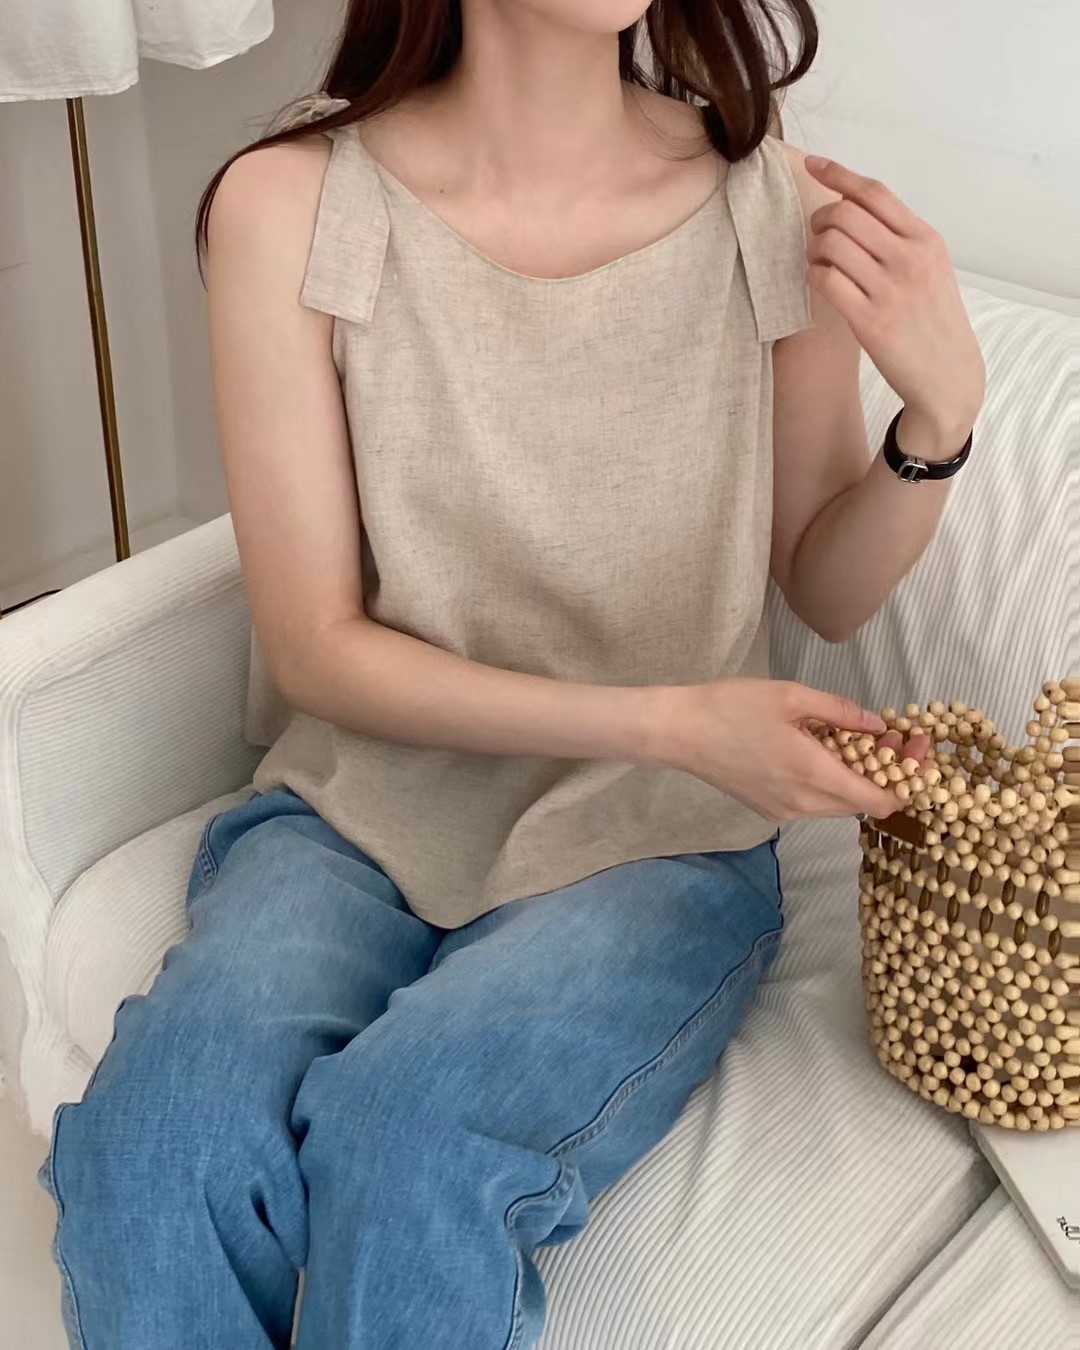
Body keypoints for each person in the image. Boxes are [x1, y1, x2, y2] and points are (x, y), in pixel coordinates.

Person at [40, 1, 985, 1346]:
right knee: (156, 1146)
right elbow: (315, 645)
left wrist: (937, 419)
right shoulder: (291, 205)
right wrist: (674, 718)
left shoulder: (768, 203)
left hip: (656, 838)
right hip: (358, 812)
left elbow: (824, 586)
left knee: (412, 1142)